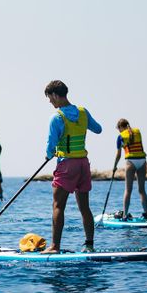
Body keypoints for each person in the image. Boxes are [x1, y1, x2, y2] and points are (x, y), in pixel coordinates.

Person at [43, 80, 102, 253]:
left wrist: (48, 155)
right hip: (83, 164)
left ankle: (55, 246)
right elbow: (98, 129)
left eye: (49, 98)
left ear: (55, 95)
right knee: (85, 207)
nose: (50, 102)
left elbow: (50, 145)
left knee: (58, 206)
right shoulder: (83, 112)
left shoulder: (57, 117)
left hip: (67, 166)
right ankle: (89, 245)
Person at [113, 118, 147, 219]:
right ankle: (146, 213)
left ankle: (125, 215)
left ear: (121, 127)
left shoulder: (120, 137)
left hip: (131, 162)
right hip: (142, 161)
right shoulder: (138, 132)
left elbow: (118, 155)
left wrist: (115, 166)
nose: (119, 131)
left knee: (128, 190)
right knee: (142, 190)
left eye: (118, 128)